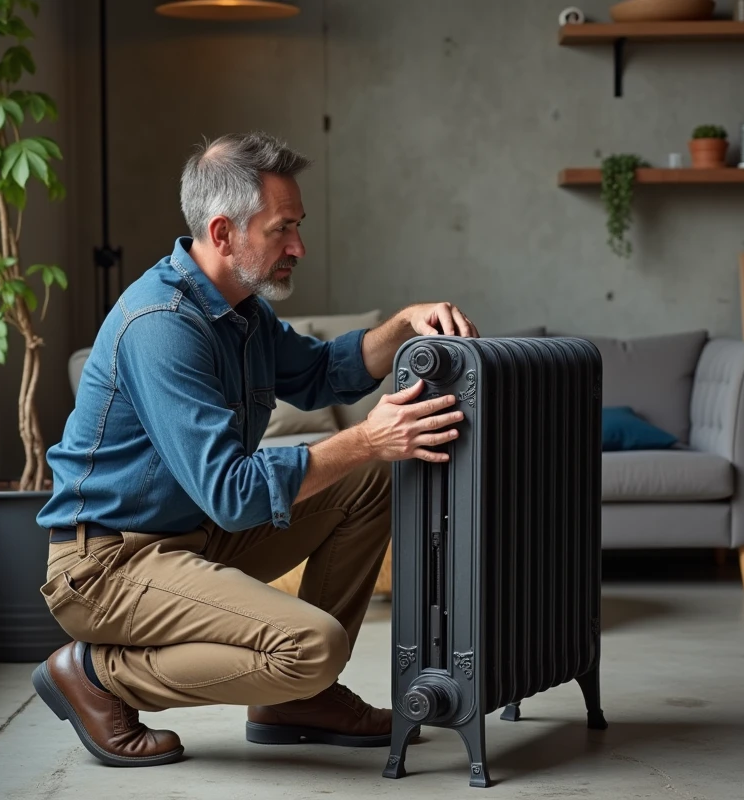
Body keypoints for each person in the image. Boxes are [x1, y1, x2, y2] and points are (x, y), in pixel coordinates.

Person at [32, 131, 480, 767]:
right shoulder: (161, 325)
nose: (298, 246)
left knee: (370, 481)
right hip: (108, 564)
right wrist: (366, 437)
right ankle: (97, 676)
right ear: (223, 233)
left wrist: (405, 323)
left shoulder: (241, 311)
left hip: (193, 535)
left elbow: (325, 371)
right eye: (281, 229)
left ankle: (297, 702)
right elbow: (233, 493)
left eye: (298, 226)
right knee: (313, 645)